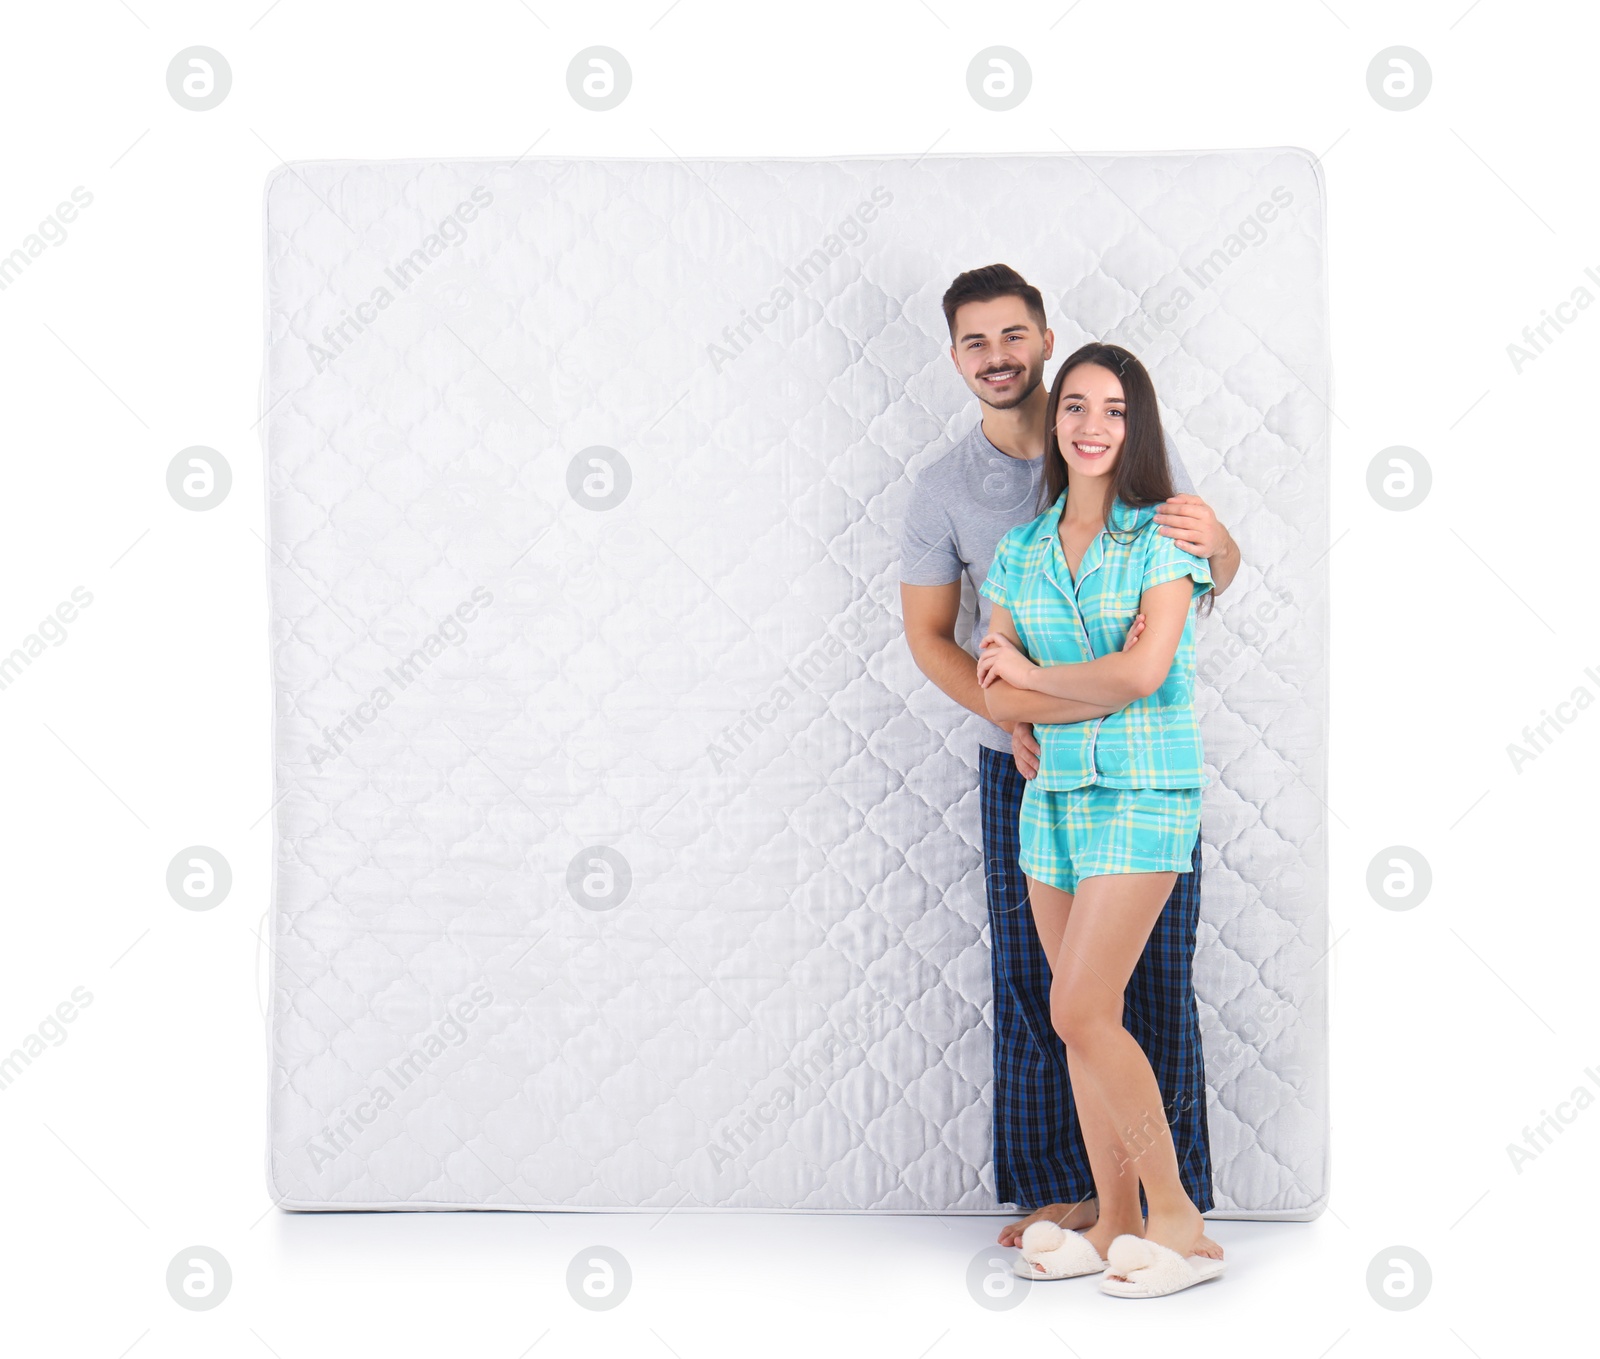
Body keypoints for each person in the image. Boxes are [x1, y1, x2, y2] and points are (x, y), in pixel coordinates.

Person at [898, 266, 1239, 1254]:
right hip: (1034, 774)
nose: (997, 356)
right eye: (975, 341)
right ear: (956, 356)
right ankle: (1093, 1207)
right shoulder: (972, 510)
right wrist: (1013, 714)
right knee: (1051, 999)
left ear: (1044, 338)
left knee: (1131, 991)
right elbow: (938, 641)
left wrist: (1223, 546)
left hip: (1137, 772)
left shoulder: (1141, 493)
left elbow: (1155, 652)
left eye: (1013, 335)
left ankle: (1176, 1216)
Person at [975, 340, 1224, 1294]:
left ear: (1137, 426)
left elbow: (1143, 674)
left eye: (1114, 410)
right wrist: (1041, 691)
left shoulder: (1163, 538)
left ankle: (1180, 1219)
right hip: (1054, 804)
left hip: (1145, 792)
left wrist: (1036, 677)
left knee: (1077, 1003)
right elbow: (1002, 702)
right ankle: (1116, 1219)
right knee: (1084, 1019)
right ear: (1057, 422)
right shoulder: (1021, 551)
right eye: (1075, 405)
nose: (1091, 425)